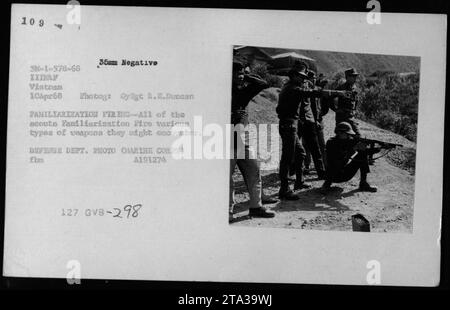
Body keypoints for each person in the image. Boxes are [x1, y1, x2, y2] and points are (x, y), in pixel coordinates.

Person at [277, 63, 350, 200]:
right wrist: (337, 93)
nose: (303, 79)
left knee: (300, 153)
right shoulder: (293, 88)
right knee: (287, 158)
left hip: (291, 124)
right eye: (300, 76)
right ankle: (284, 189)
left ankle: (299, 182)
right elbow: (313, 92)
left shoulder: (292, 86)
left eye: (304, 76)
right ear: (293, 75)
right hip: (289, 125)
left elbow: (313, 91)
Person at [229, 61, 276, 221]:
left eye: (241, 72)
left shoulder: (244, 91)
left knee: (254, 172)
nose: (239, 76)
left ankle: (256, 207)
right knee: (227, 179)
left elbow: (262, 83)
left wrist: (244, 75)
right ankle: (228, 212)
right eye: (236, 73)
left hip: (243, 138)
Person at [321, 122, 379, 193]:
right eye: (348, 134)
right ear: (339, 133)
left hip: (345, 174)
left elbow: (365, 151)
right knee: (333, 165)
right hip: (333, 175)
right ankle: (326, 185)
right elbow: (338, 160)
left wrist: (378, 149)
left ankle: (363, 183)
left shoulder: (349, 141)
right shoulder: (331, 143)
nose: (350, 136)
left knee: (363, 154)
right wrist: (353, 149)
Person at [334, 68, 361, 137]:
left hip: (351, 116)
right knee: (340, 136)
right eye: (353, 76)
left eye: (355, 76)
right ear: (347, 77)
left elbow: (356, 100)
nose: (355, 78)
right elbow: (330, 98)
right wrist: (335, 109)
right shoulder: (341, 88)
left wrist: (354, 110)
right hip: (341, 117)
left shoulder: (354, 87)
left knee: (356, 136)